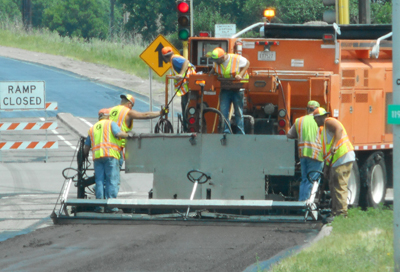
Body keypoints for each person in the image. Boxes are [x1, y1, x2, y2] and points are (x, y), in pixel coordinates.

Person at [313, 107, 355, 222]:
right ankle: (335, 212)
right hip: (336, 160)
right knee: (333, 185)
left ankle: (341, 215)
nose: (315, 121)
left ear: (320, 117)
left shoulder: (329, 121)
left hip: (342, 157)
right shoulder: (324, 130)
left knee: (339, 186)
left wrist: (335, 145)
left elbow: (339, 129)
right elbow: (327, 153)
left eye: (315, 119)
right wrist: (326, 168)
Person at [84, 108, 130, 213]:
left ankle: (99, 206)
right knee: (112, 180)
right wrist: (128, 135)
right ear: (108, 116)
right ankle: (111, 206)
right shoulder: (111, 124)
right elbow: (118, 134)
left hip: (97, 158)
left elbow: (86, 147)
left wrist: (84, 156)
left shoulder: (92, 128)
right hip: (110, 155)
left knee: (99, 181)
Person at [109, 94, 166, 167]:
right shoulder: (127, 112)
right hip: (116, 147)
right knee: (113, 174)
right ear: (130, 104)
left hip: (106, 144)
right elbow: (145, 115)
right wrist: (160, 113)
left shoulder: (111, 110)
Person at [287, 100, 323, 201]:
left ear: (307, 109)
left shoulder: (299, 120)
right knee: (313, 181)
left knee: (304, 180)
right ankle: (308, 204)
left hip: (303, 155)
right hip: (316, 155)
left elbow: (289, 135)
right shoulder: (320, 121)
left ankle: (301, 204)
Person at [209, 47, 250, 134]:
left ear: (222, 57)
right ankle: (226, 132)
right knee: (224, 112)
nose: (215, 61)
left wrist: (240, 74)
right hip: (225, 89)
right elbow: (214, 69)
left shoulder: (236, 59)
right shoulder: (216, 62)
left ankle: (240, 132)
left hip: (237, 89)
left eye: (217, 60)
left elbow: (247, 63)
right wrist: (209, 75)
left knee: (239, 113)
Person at [161, 46, 196, 131]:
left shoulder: (174, 59)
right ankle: (186, 126)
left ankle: (187, 127)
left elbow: (186, 62)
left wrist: (181, 74)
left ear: (165, 57)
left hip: (189, 87)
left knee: (187, 107)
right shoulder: (174, 59)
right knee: (185, 106)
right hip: (188, 87)